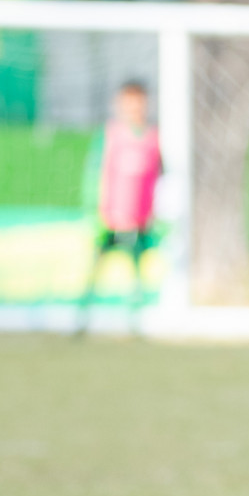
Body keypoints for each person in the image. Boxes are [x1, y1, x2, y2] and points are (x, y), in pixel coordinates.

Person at [78, 80, 162, 333]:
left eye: (138, 104)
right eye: (128, 103)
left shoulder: (153, 138)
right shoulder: (110, 136)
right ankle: (82, 320)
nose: (134, 109)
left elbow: (161, 178)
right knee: (96, 269)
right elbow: (95, 174)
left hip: (140, 220)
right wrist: (95, 212)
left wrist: (158, 215)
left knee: (137, 273)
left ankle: (135, 324)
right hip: (110, 219)